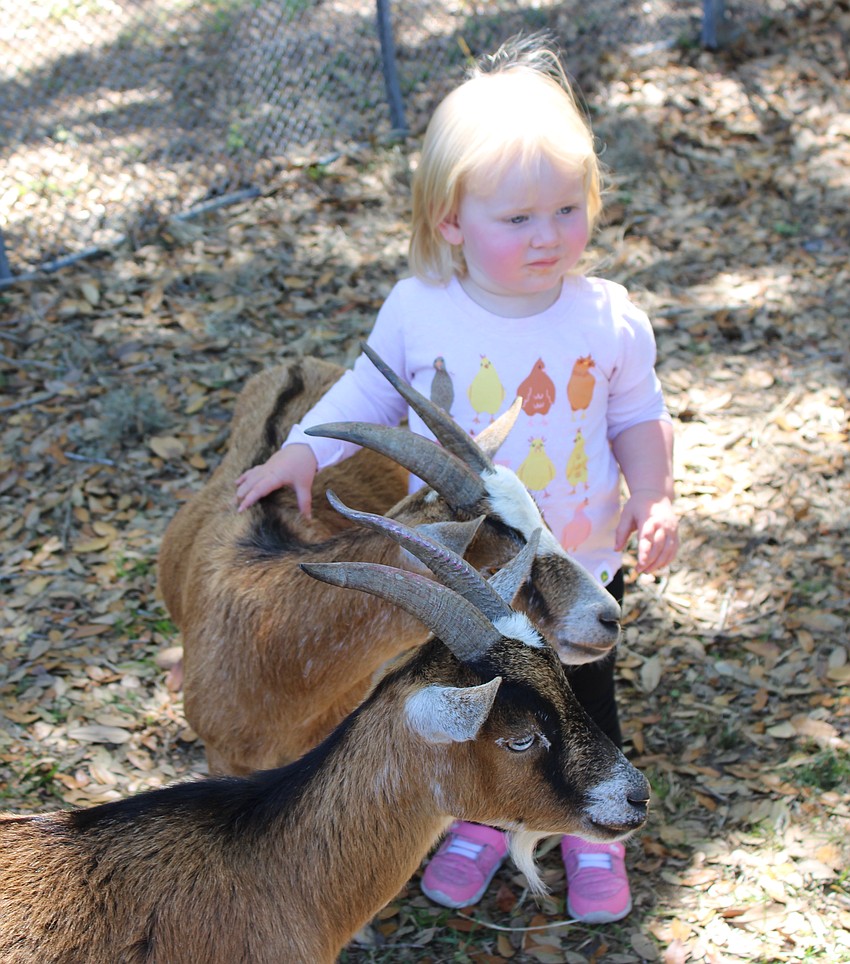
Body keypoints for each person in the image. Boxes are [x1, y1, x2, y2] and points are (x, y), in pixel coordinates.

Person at [235, 33, 678, 924]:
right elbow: (365, 392)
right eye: (517, 219)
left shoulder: (609, 320)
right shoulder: (419, 310)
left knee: (582, 700)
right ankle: (485, 815)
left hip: (578, 564)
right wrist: (304, 451)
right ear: (450, 221)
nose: (549, 236)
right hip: (466, 573)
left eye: (566, 208)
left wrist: (657, 495)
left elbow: (638, 417)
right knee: (486, 704)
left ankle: (594, 835)